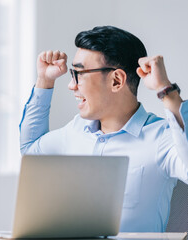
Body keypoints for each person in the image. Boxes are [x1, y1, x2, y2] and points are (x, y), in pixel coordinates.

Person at [19, 26, 188, 232]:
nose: (71, 85)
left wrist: (166, 90)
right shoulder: (75, 130)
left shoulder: (162, 137)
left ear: (116, 80)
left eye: (79, 74)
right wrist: (44, 81)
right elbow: (30, 153)